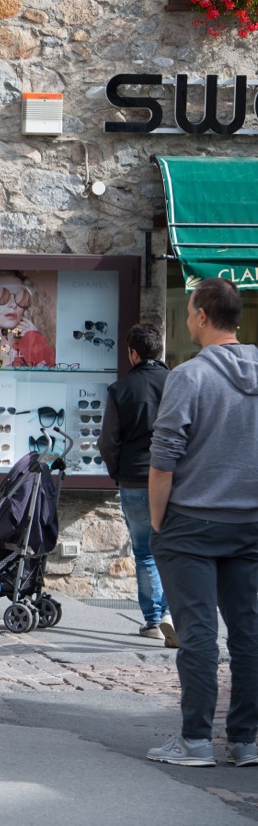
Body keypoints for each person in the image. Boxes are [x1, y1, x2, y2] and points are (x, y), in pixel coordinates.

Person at [146, 277, 258, 769]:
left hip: (191, 522)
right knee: (248, 633)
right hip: (249, 523)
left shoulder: (189, 376)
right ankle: (245, 741)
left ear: (203, 316)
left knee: (198, 635)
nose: (189, 319)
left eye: (190, 311)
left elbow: (164, 457)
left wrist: (158, 520)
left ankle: (195, 740)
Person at [97, 322, 173, 643]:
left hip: (135, 479)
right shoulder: (177, 383)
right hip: (173, 479)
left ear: (133, 354)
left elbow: (108, 442)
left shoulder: (121, 390)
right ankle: (171, 614)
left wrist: (118, 473)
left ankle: (154, 621)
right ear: (160, 350)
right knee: (172, 550)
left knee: (144, 552)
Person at [0, 270, 55, 368]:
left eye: (21, 298)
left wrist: (35, 341)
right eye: (2, 296)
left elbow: (48, 374)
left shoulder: (34, 342)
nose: (13, 305)